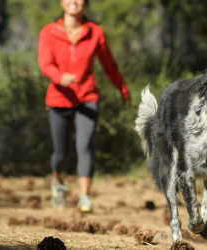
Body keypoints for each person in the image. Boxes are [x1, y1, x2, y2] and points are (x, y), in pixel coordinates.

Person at [38, 0, 130, 212]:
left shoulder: (95, 32)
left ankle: (84, 197)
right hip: (59, 98)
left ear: (85, 4)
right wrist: (59, 77)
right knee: (61, 152)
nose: (74, 1)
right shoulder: (49, 32)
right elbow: (45, 64)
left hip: (87, 97)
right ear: (61, 2)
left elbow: (109, 63)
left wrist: (122, 88)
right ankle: (58, 183)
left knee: (85, 145)